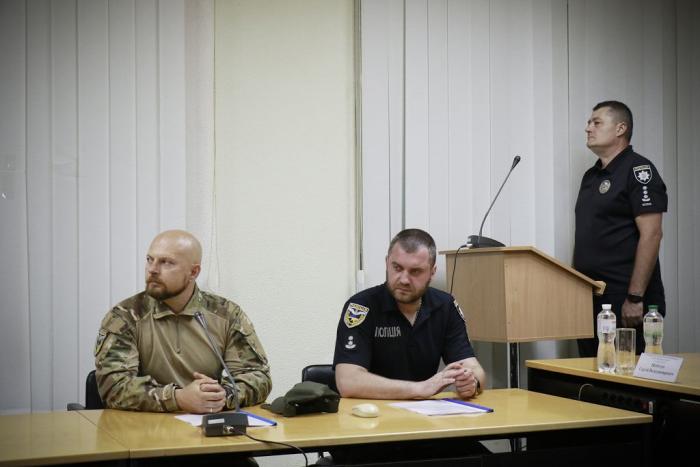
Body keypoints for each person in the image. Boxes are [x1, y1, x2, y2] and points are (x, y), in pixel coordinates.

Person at [95, 230, 272, 414]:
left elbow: (259, 376)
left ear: (193, 272)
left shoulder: (226, 314)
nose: (153, 269)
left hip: (205, 424)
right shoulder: (125, 316)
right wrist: (177, 398)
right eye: (150, 259)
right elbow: (113, 387)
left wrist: (223, 395)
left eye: (166, 262)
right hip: (142, 426)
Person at [574, 101, 667, 357]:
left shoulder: (638, 171)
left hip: (624, 298)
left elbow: (652, 234)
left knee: (627, 375)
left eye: (596, 122)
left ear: (620, 129)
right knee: (590, 374)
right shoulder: (591, 176)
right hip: (589, 298)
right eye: (589, 123)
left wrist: (635, 297)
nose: (588, 128)